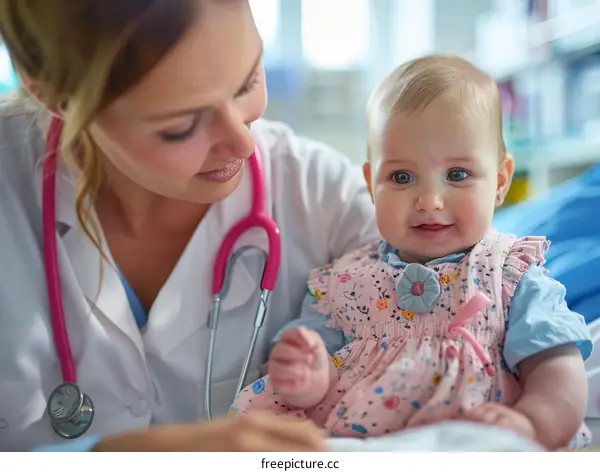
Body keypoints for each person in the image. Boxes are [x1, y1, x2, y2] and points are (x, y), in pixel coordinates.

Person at [0, 0, 381, 452]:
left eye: (248, 82)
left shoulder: (328, 201)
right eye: (180, 127)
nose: (242, 141)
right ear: (52, 95)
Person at [231, 55, 594, 451]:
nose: (430, 200)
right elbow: (311, 365)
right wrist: (306, 375)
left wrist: (531, 423)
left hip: (476, 443)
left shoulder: (510, 275)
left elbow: (557, 368)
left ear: (501, 181)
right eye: (401, 177)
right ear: (371, 184)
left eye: (457, 175)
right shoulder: (345, 282)